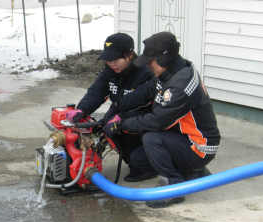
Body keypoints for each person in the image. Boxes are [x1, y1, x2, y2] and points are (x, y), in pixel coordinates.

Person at [103, 31, 221, 208]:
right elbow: (144, 93)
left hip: (200, 147)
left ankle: (172, 189)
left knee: (152, 137)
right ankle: (193, 172)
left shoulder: (180, 84)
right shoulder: (170, 73)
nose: (148, 64)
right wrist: (117, 107)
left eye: (150, 60)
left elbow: (157, 121)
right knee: (139, 160)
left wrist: (122, 124)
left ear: (163, 59)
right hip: (184, 138)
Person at [65, 32, 156, 182]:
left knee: (134, 155)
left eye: (116, 59)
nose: (111, 63)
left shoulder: (145, 74)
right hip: (120, 113)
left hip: (144, 121)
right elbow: (97, 91)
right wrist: (82, 109)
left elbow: (151, 110)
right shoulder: (110, 71)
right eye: (108, 60)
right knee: (105, 126)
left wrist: (122, 118)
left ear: (129, 55)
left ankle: (148, 166)